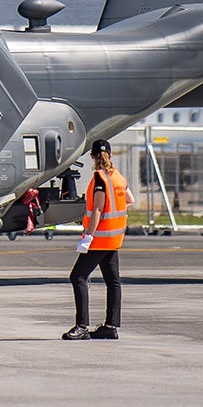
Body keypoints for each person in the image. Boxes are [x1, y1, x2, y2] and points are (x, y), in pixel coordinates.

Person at [63, 138, 133, 341]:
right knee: (113, 282)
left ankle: (82, 325)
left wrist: (88, 236)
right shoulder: (118, 177)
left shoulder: (100, 179)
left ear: (92, 156)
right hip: (114, 238)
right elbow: (130, 201)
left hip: (100, 239)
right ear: (110, 155)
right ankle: (111, 326)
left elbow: (98, 210)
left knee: (78, 277)